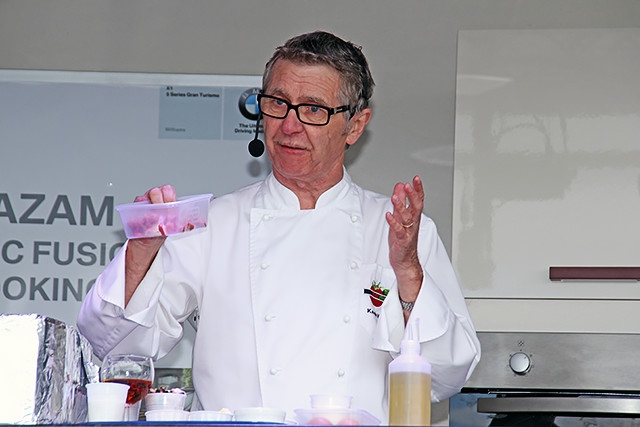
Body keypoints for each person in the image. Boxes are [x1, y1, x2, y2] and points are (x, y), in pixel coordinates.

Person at [77, 30, 480, 422]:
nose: (289, 126)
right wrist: (141, 253)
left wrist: (407, 271)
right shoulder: (214, 224)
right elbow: (118, 347)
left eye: (313, 109)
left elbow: (447, 375)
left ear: (354, 126)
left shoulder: (401, 232)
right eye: (277, 103)